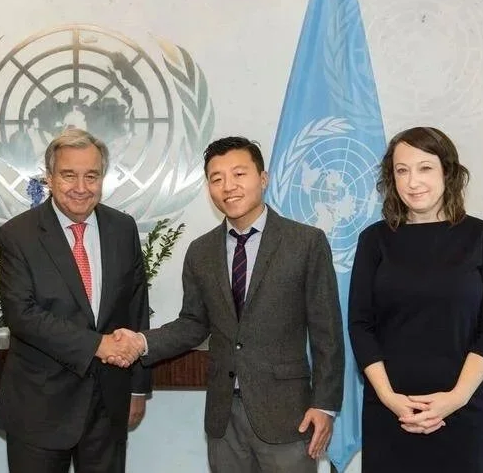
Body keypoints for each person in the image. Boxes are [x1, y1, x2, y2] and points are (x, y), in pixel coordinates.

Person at [114, 136, 344, 472]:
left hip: (288, 415)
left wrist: (324, 404)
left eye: (239, 174)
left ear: (262, 179)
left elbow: (328, 333)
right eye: (216, 178)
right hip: (224, 417)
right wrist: (141, 342)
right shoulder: (200, 251)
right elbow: (193, 323)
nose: (228, 186)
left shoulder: (305, 242)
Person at [348, 126, 483, 473]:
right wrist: (391, 399)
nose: (412, 181)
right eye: (401, 170)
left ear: (447, 172)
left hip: (465, 414)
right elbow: (361, 325)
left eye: (425, 168)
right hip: (392, 414)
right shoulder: (373, 240)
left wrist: (456, 398)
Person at [0, 128, 151, 473]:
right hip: (40, 407)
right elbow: (23, 315)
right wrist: (97, 345)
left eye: (91, 176)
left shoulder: (123, 229)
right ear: (49, 178)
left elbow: (136, 307)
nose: (81, 187)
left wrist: (138, 389)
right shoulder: (17, 235)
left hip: (109, 404)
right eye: (68, 175)